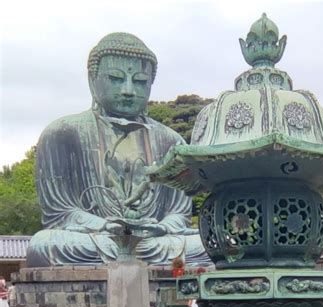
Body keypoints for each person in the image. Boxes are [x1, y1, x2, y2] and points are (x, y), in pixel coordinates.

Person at [26, 33, 208, 268]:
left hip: (155, 241)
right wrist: (103, 225)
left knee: (206, 245)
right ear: (93, 79)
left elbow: (178, 215)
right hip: (97, 238)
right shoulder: (62, 133)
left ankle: (131, 255)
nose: (128, 90)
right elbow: (59, 213)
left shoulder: (170, 141)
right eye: (115, 78)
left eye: (140, 81)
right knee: (44, 245)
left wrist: (159, 226)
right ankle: (125, 253)